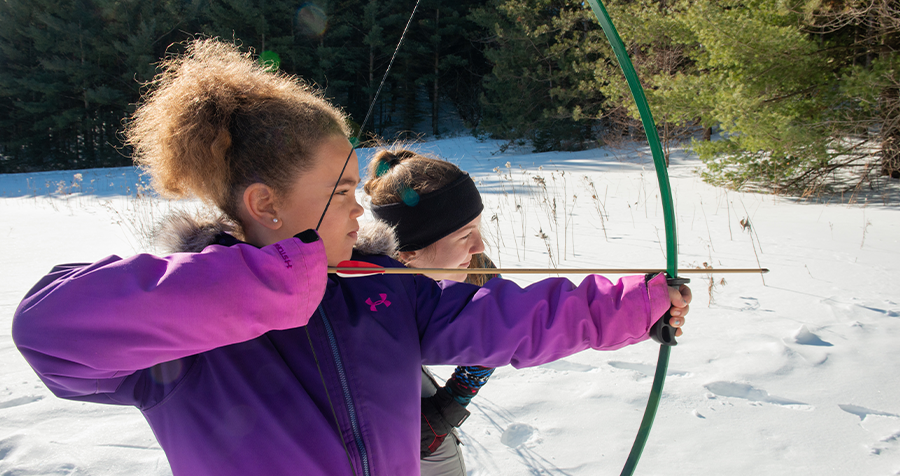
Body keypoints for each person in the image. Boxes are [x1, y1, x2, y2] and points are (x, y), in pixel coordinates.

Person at [11, 38, 691, 476]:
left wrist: (634, 304)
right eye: (340, 192)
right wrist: (274, 285)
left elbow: (505, 317)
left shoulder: (380, 289)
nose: (359, 209)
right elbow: (48, 333)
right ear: (266, 205)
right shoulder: (179, 335)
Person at [357, 148, 499, 476]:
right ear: (408, 252)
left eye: (477, 228)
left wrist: (449, 405)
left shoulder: (479, 270)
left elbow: (490, 343)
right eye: (465, 235)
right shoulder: (360, 281)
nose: (480, 246)